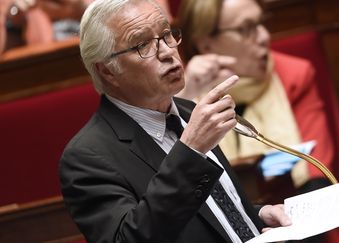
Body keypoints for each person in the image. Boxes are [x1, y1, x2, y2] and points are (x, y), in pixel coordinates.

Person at [59, 0, 290, 242]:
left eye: (166, 34)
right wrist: (190, 151)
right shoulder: (87, 157)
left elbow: (210, 212)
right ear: (107, 71)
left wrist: (257, 215)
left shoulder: (189, 112)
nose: (167, 51)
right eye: (142, 44)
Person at [177, 0, 335, 202]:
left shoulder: (294, 76)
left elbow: (317, 174)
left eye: (261, 23)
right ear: (205, 43)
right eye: (246, 29)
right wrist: (184, 97)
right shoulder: (181, 91)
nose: (264, 37)